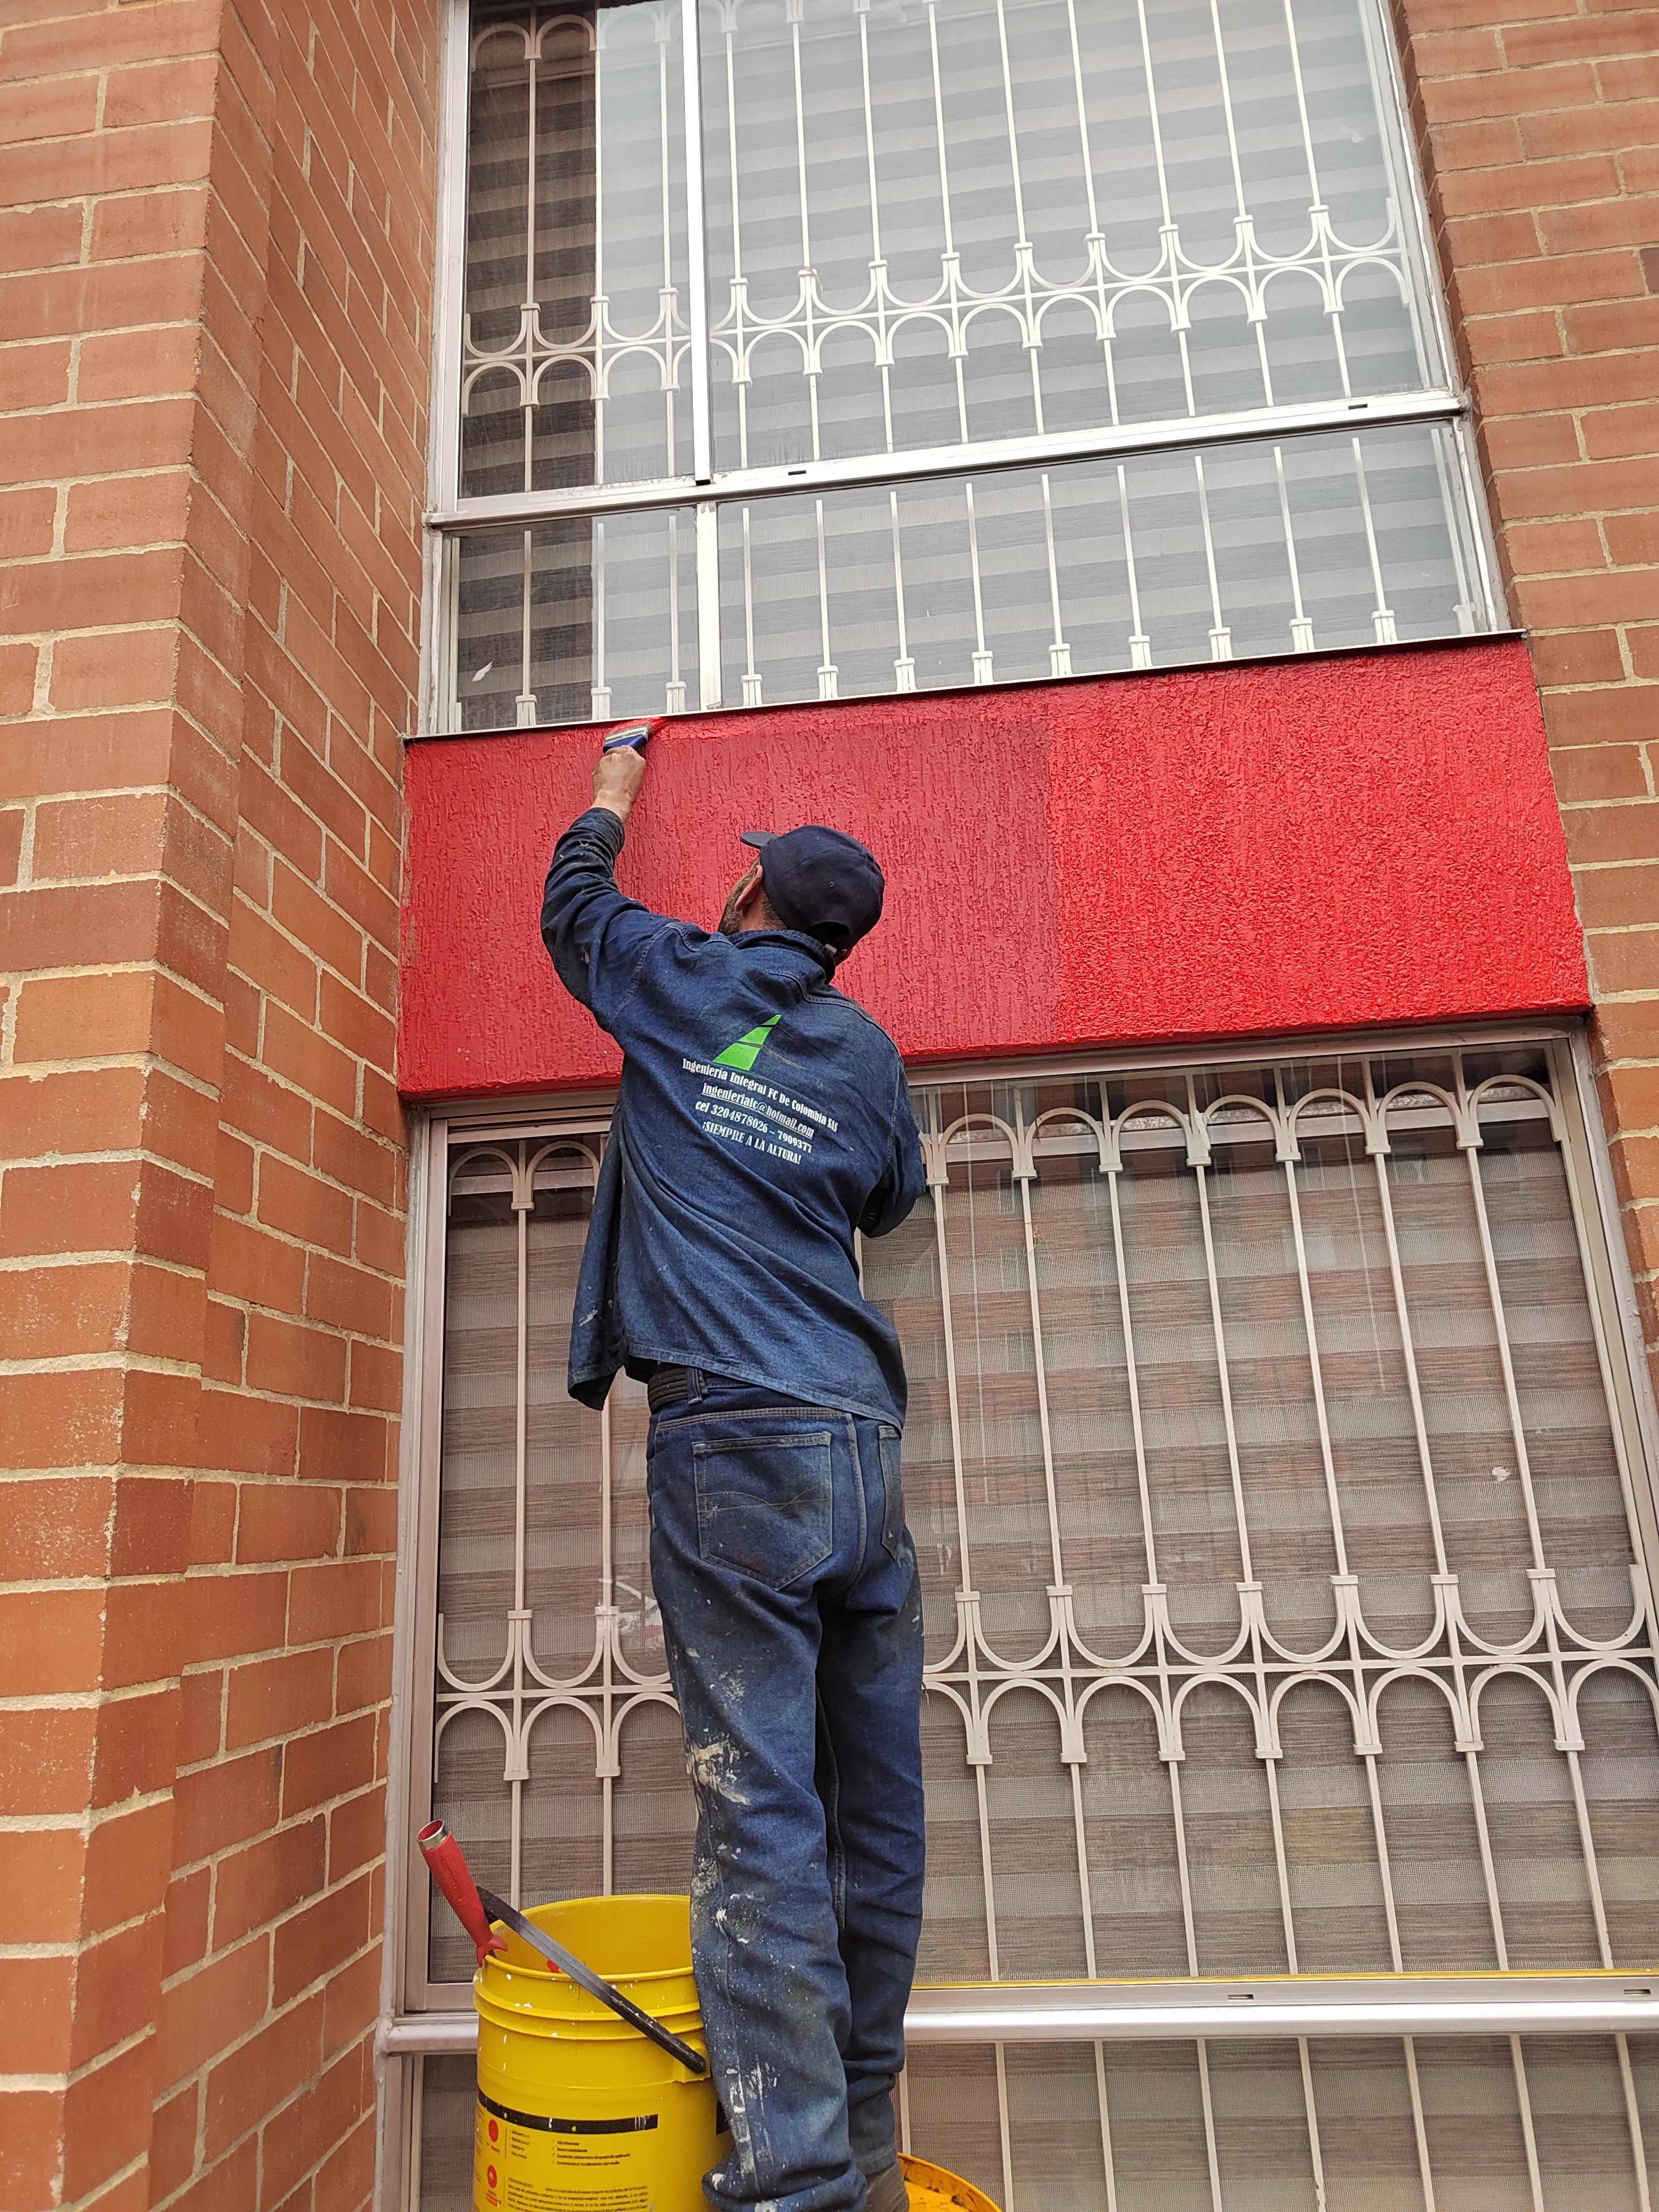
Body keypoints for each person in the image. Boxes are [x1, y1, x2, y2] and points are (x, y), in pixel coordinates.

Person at [541, 727, 929, 2212]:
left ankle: (805, 2187)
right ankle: (865, 2147)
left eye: (747, 872)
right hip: (859, 1440)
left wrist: (611, 794)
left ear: (757, 905)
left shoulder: (686, 985)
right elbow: (887, 1198)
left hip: (738, 1442)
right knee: (872, 1805)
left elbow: (573, 912)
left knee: (761, 1806)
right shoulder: (867, 1052)